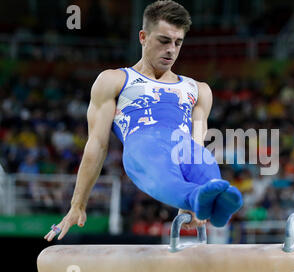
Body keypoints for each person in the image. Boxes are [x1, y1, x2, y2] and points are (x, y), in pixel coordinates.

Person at [45, 0, 243, 242]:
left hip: (183, 145)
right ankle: (195, 196)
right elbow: (96, 145)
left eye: (178, 42)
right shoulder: (115, 80)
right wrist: (78, 204)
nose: (171, 49)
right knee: (162, 170)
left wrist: (185, 208)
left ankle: (212, 195)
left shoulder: (199, 89)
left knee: (203, 161)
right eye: (164, 40)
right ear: (143, 37)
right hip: (144, 146)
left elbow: (197, 145)